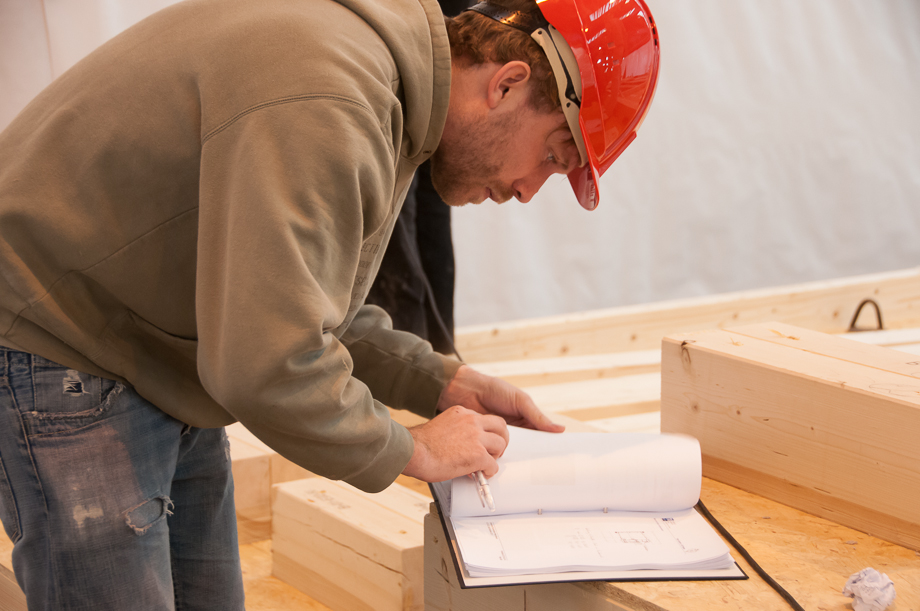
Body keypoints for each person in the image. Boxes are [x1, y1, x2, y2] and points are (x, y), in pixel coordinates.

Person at [0, 0, 659, 608]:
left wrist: (439, 381)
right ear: (508, 83)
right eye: (550, 155)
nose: (527, 190)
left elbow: (302, 301)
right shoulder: (334, 96)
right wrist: (412, 448)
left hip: (152, 338)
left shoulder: (386, 93)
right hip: (59, 333)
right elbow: (265, 362)